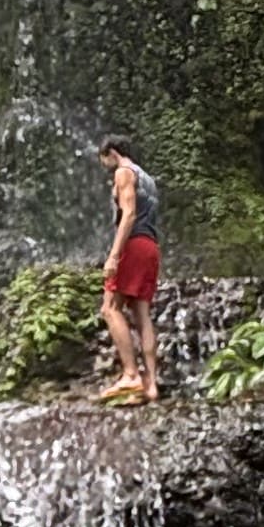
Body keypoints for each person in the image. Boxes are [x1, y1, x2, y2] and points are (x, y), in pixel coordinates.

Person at [96, 134, 161, 404]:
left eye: (104, 160)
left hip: (132, 245)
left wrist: (113, 256)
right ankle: (151, 385)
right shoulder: (148, 178)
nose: (105, 166)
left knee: (110, 308)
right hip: (151, 246)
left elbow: (129, 214)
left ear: (112, 152)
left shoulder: (123, 173)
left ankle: (131, 374)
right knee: (142, 313)